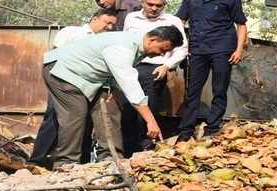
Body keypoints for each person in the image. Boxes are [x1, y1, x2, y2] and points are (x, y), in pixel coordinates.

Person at [40, 26, 183, 169]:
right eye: (163, 50)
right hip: (64, 71)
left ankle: (110, 158)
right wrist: (151, 121)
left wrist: (114, 89)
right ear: (152, 40)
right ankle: (66, 163)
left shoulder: (136, 48)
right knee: (76, 114)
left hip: (93, 78)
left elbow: (113, 70)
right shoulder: (123, 47)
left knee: (111, 107)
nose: (162, 55)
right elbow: (131, 86)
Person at [29, 8, 118, 167]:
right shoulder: (71, 32)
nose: (110, 27)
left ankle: (80, 162)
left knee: (83, 121)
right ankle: (38, 160)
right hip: (66, 81)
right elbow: (56, 54)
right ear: (94, 19)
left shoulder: (107, 40)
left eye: (113, 24)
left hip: (91, 85)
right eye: (107, 23)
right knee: (53, 117)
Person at [176, 0, 248, 141]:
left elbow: (241, 24)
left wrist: (239, 50)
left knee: (219, 90)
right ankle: (186, 131)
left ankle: (212, 129)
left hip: (223, 48)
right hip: (197, 49)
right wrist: (183, 44)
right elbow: (180, 20)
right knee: (192, 92)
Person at [123, 0, 188, 150]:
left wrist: (167, 65)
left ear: (165, 4)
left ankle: (146, 146)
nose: (154, 8)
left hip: (155, 68)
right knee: (128, 108)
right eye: (150, 4)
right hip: (131, 67)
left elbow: (182, 49)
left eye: (159, 5)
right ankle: (128, 148)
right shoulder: (131, 18)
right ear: (142, 2)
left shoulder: (173, 21)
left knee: (148, 108)